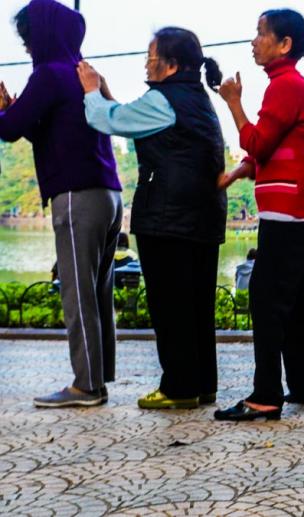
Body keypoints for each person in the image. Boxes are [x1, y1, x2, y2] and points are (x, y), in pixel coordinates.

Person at [79, 27, 227, 411]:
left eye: (150, 58)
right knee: (197, 305)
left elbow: (108, 121)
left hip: (167, 218)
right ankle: (202, 384)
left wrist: (91, 91)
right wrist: (109, 96)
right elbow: (136, 121)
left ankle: (178, 387)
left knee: (171, 305)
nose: (146, 65)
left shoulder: (164, 99)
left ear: (171, 64)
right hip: (202, 218)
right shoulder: (196, 100)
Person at [0, 0, 122, 408]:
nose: (28, 47)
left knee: (76, 292)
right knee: (98, 290)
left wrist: (5, 111)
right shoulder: (82, 75)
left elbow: (10, 130)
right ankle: (99, 376)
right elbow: (53, 135)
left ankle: (85, 386)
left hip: (76, 195)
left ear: (43, 35)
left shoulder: (48, 75)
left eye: (28, 38)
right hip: (109, 194)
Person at [214, 8, 304, 421]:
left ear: (285, 45)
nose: (254, 41)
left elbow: (259, 141)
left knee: (266, 298)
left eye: (262, 33)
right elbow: (279, 148)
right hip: (298, 207)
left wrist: (233, 104)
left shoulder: (285, 86)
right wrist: (244, 169)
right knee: (295, 298)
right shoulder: (288, 86)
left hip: (289, 210)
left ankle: (265, 396)